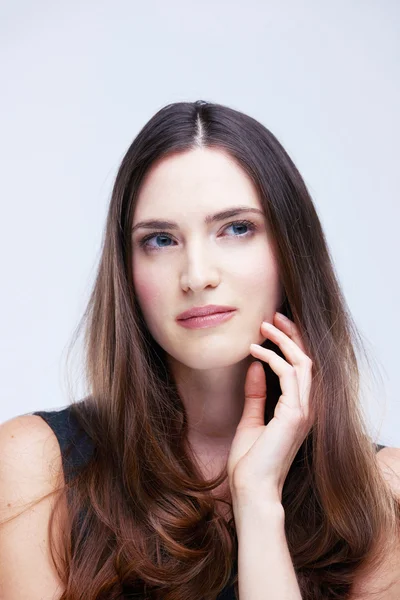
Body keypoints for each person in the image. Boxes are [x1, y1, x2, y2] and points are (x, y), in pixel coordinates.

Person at [0, 100, 398, 600]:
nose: (196, 276)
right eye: (161, 240)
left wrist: (257, 503)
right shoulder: (36, 466)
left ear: (291, 250)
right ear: (127, 272)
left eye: (236, 229)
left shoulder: (382, 491)